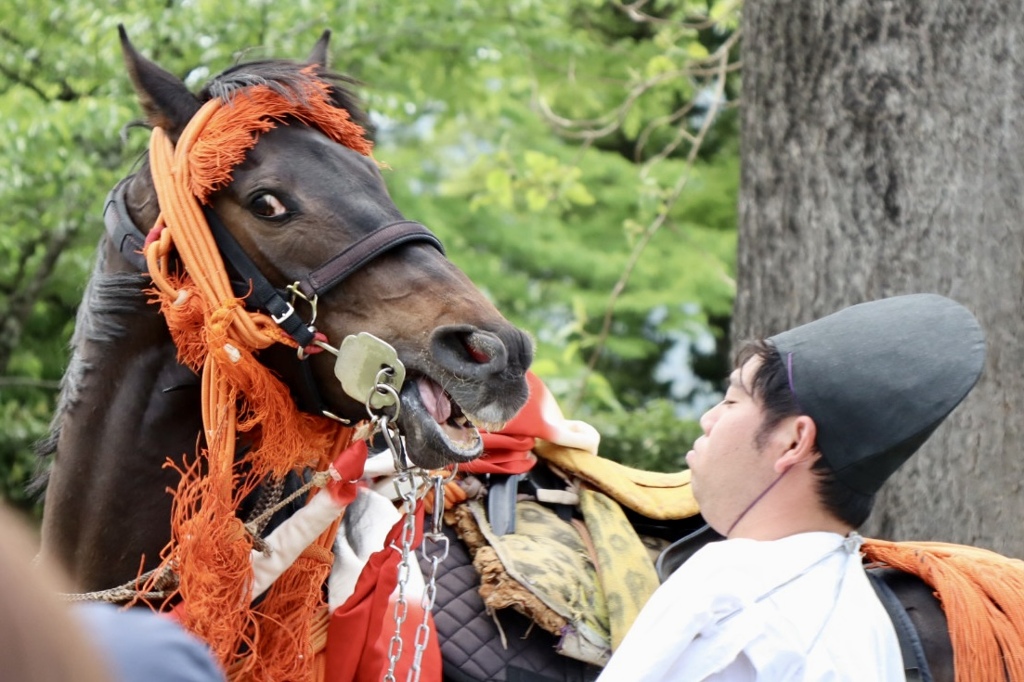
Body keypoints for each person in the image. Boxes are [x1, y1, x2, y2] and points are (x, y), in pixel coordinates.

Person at [597, 293, 986, 681]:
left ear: (794, 441)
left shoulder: (730, 588)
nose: (708, 419)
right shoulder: (870, 623)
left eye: (732, 401)